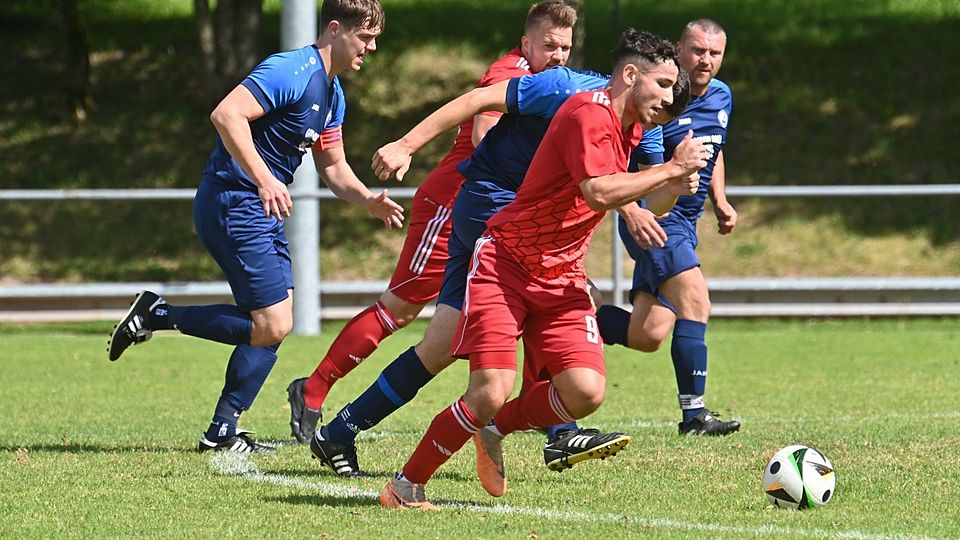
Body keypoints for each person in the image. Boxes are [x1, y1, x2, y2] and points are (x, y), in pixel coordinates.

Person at [306, 50, 685, 482]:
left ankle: (341, 429)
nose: (556, 53)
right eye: (550, 41)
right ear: (632, 75)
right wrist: (405, 144)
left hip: (536, 230)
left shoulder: (647, 122)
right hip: (494, 205)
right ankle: (557, 429)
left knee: (442, 343)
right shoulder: (565, 87)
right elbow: (477, 101)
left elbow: (645, 191)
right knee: (546, 300)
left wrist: (661, 190)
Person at [106, 0, 403, 453]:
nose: (372, 47)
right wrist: (265, 178)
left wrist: (367, 199)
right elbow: (226, 114)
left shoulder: (333, 93)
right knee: (272, 322)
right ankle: (156, 315)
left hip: (258, 207)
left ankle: (222, 428)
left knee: (275, 321)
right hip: (234, 199)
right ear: (336, 29)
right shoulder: (291, 69)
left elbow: (334, 165)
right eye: (366, 37)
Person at [286, 0, 579, 445]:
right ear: (526, 43)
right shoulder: (511, 72)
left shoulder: (554, 82)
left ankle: (557, 425)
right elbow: (484, 131)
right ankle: (313, 389)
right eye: (549, 46)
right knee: (399, 310)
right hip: (454, 207)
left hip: (497, 218)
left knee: (531, 303)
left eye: (564, 48)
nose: (557, 56)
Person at [594, 18, 741, 437]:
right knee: (696, 300)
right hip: (656, 217)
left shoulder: (722, 96)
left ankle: (574, 317)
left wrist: (720, 199)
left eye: (714, 53)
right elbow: (628, 163)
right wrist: (634, 208)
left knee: (647, 334)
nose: (705, 60)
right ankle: (694, 416)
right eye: (697, 51)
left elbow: (713, 150)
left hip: (687, 222)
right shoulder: (658, 99)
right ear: (679, 49)